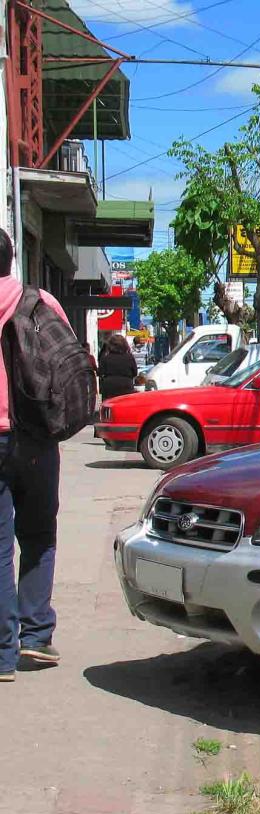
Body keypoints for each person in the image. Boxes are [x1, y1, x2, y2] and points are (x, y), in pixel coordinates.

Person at [0, 228, 69, 682]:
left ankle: (2, 654)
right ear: (11, 259)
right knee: (40, 535)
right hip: (36, 438)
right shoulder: (39, 299)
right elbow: (71, 361)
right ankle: (35, 635)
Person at [98, 333, 138, 400]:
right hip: (126, 385)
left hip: (109, 386)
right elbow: (135, 373)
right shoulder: (130, 357)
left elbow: (100, 372)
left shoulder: (105, 358)